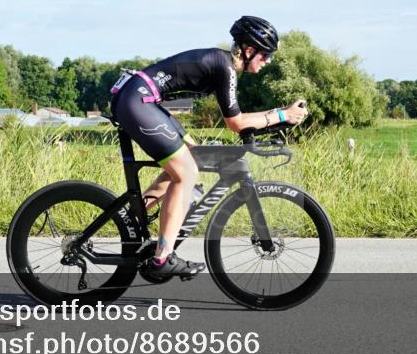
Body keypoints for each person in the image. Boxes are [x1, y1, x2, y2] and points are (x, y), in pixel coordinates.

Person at [109, 16, 309, 280]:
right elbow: (236, 123)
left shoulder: (222, 65)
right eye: (265, 55)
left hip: (141, 97)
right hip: (139, 100)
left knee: (191, 156)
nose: (268, 61)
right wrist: (282, 116)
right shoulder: (225, 67)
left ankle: (132, 220)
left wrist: (275, 115)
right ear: (249, 51)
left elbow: (237, 118)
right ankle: (161, 259)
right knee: (187, 172)